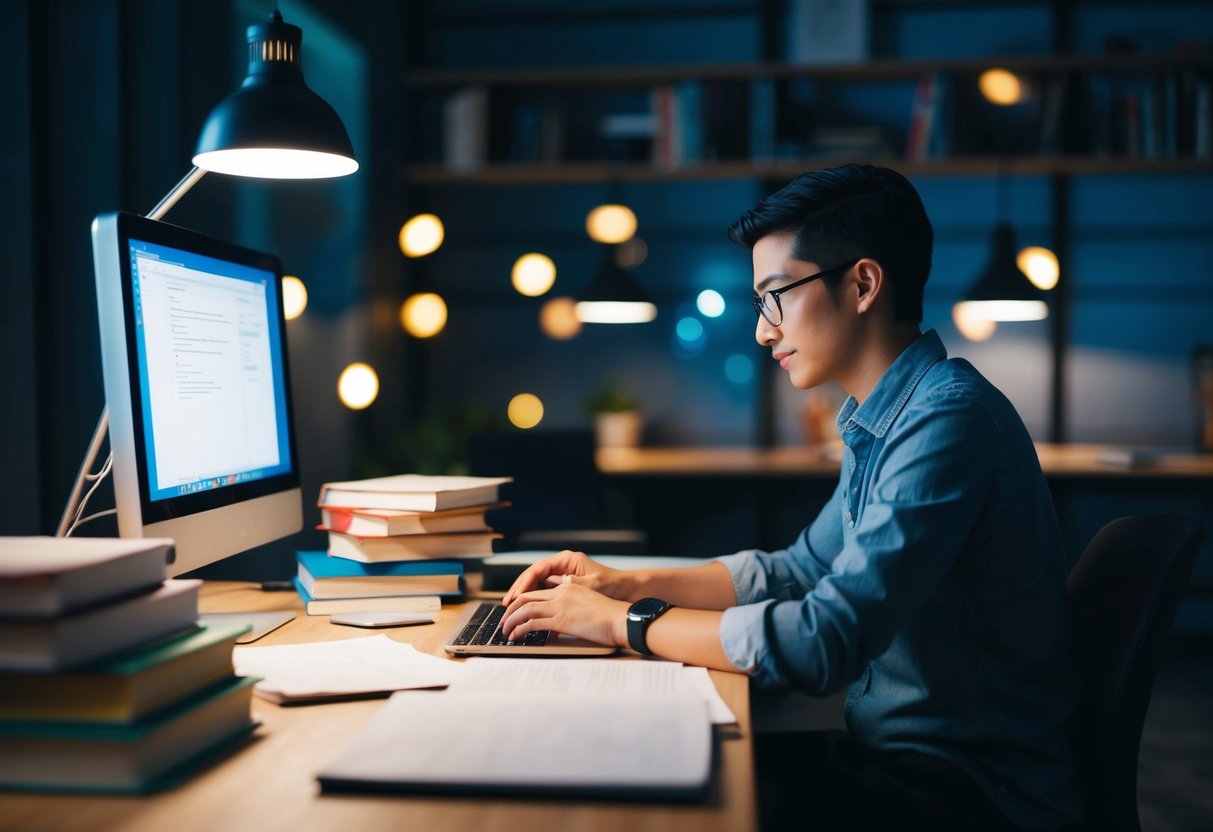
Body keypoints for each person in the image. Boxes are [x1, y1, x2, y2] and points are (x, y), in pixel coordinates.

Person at [502, 164, 1081, 830]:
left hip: (972, 794)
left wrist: (618, 624)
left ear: (862, 284)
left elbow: (822, 640)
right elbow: (799, 572)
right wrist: (622, 583)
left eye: (776, 295)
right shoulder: (884, 419)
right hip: (901, 762)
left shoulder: (947, 422)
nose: (762, 331)